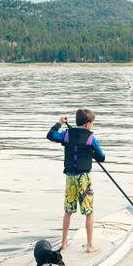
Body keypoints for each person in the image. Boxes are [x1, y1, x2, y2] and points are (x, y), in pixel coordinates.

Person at [47, 108, 106, 253]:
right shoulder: (91, 138)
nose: (92, 126)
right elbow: (102, 157)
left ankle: (64, 242)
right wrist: (92, 152)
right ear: (87, 124)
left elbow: (50, 135)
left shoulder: (66, 134)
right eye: (92, 123)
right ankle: (90, 246)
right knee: (89, 212)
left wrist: (59, 123)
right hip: (83, 179)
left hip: (70, 178)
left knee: (68, 211)